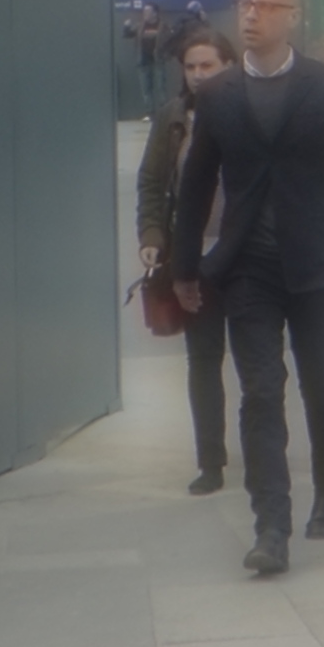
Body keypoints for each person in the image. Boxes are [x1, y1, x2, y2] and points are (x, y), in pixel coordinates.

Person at [170, 0, 324, 578]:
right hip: (247, 268)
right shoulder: (218, 94)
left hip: (319, 265)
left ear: (292, 16)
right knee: (260, 391)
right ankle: (270, 527)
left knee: (320, 383)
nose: (251, 15)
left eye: (266, 6)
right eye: (245, 3)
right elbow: (195, 188)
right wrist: (184, 267)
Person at [133, 25, 237, 494]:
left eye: (207, 65)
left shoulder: (251, 111)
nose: (198, 74)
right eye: (191, 67)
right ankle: (211, 461)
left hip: (247, 255)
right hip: (194, 257)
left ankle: (262, 453)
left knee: (257, 361)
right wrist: (153, 235)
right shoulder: (173, 118)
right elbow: (152, 182)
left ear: (228, 65)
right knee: (203, 359)